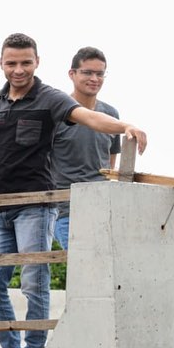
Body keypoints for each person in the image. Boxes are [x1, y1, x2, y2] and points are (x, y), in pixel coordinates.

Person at [0, 33, 147, 348]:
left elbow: (90, 117)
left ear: (37, 62)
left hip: (37, 208)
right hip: (0, 209)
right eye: (11, 63)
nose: (18, 70)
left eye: (25, 63)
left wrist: (126, 126)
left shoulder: (49, 98)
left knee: (34, 282)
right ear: (1, 63)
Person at [51, 47, 121, 249]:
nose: (94, 78)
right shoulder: (56, 112)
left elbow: (110, 160)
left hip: (101, 205)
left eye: (100, 74)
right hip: (66, 209)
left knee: (103, 268)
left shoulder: (110, 113)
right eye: (87, 72)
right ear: (72, 74)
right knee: (80, 264)